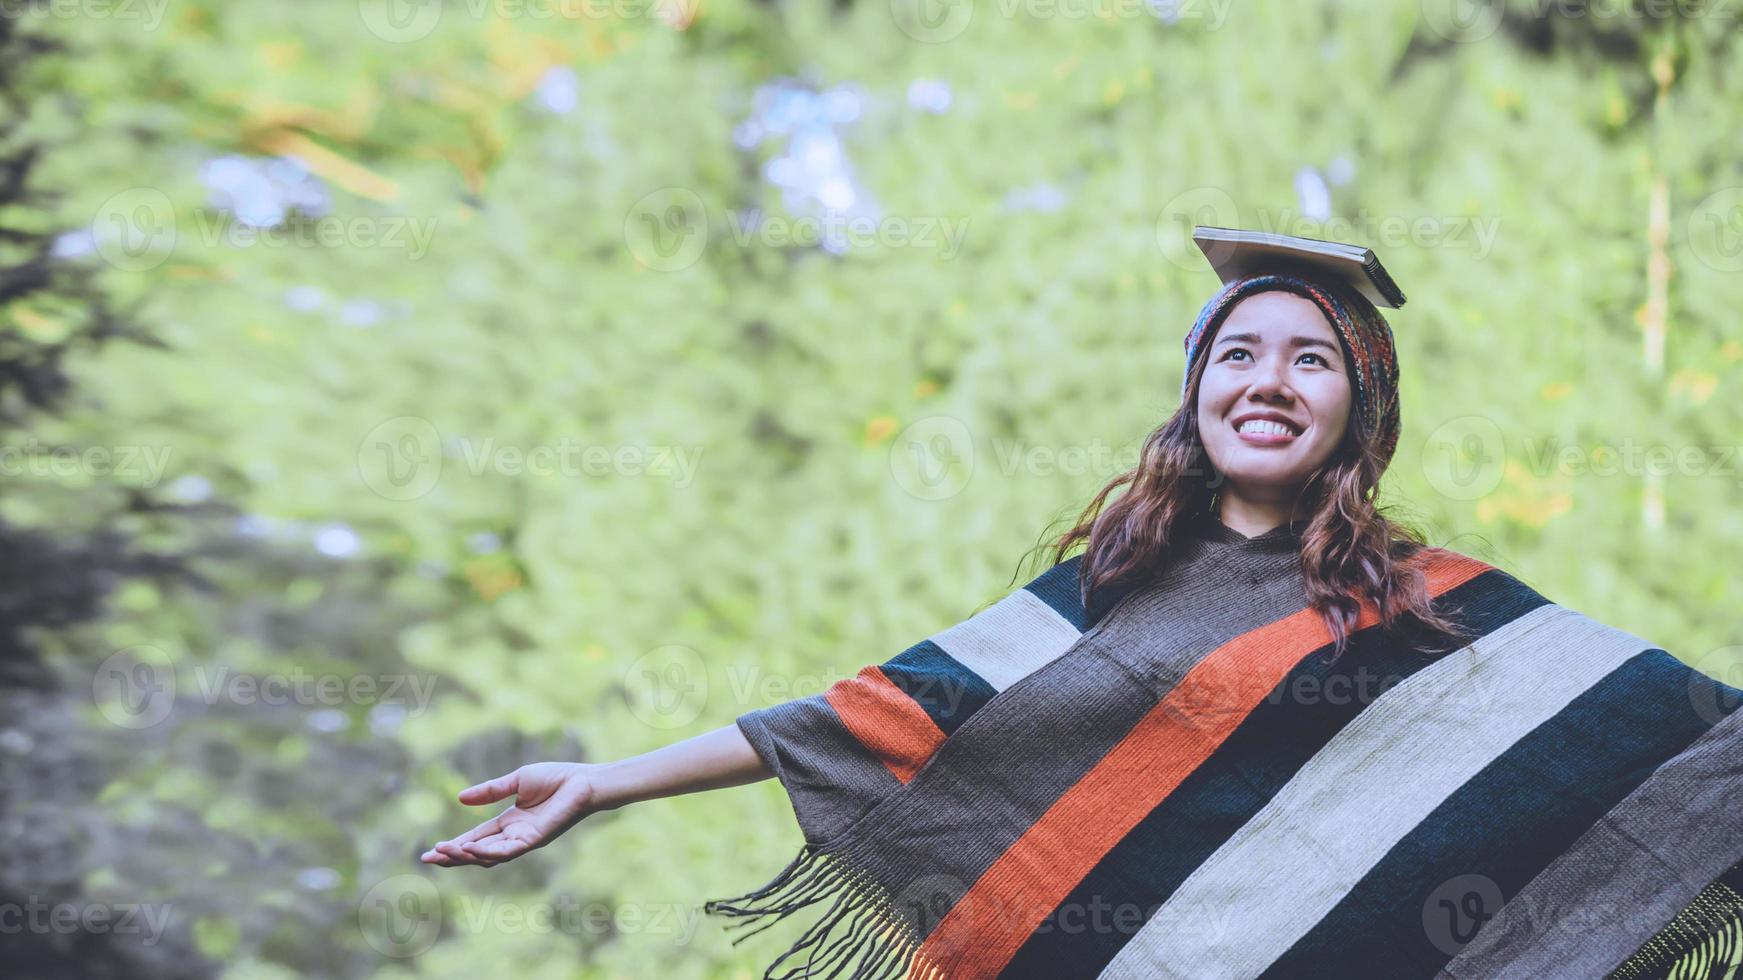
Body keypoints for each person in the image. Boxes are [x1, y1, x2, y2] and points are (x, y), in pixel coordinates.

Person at [418, 269, 1433, 872]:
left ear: (1364, 408)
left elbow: (1577, 758)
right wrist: (602, 782)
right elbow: (879, 711)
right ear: (1197, 391)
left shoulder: (1439, 604)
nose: (1267, 379)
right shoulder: (1113, 583)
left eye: (1311, 359)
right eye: (1237, 352)